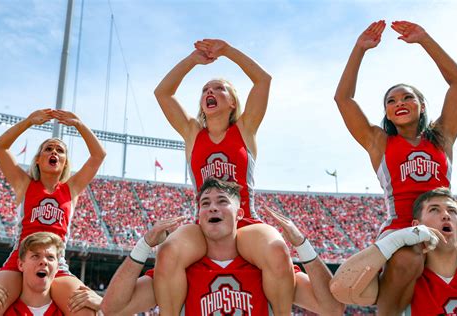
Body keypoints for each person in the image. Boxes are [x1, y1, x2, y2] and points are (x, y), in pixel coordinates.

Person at [331, 20, 457, 313]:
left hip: (443, 221)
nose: (399, 103)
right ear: (387, 113)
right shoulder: (378, 141)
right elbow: (343, 99)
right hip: (401, 226)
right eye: (391, 101)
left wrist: (425, 40)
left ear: (421, 105)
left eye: (408, 97)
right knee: (408, 259)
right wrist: (359, 49)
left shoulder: (442, 136)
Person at [154, 39, 295, 315]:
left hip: (245, 223)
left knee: (277, 250)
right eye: (206, 89)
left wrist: (228, 51)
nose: (211, 91)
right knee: (167, 252)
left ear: (233, 102)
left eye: (220, 88)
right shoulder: (193, 133)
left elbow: (263, 81)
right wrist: (192, 61)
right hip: (203, 225)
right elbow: (163, 94)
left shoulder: (245, 128)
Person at [101, 177, 344, 315]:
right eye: (205, 203)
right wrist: (144, 246)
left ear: (239, 215)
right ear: (199, 216)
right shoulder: (179, 271)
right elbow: (111, 310)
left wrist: (302, 245)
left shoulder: (267, 266)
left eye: (221, 202)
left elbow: (333, 308)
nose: (213, 207)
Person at [0, 109, 106, 315]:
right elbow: (0, 147)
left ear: (64, 162)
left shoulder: (71, 189)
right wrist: (28, 122)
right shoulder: (24, 184)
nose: (54, 152)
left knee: (85, 310)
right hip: (19, 261)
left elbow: (99, 155)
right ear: (37, 159)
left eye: (60, 150)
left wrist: (79, 124)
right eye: (48, 149)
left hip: (57, 264)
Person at [331, 188, 457, 315]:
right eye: (434, 210)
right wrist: (395, 240)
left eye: (452, 211)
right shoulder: (402, 279)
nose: (445, 215)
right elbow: (341, 287)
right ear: (416, 226)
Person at [0, 232, 102, 316]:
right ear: (21, 265)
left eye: (50, 257)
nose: (44, 261)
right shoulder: (2, 310)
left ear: (58, 267)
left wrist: (103, 307)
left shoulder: (73, 311)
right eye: (35, 256)